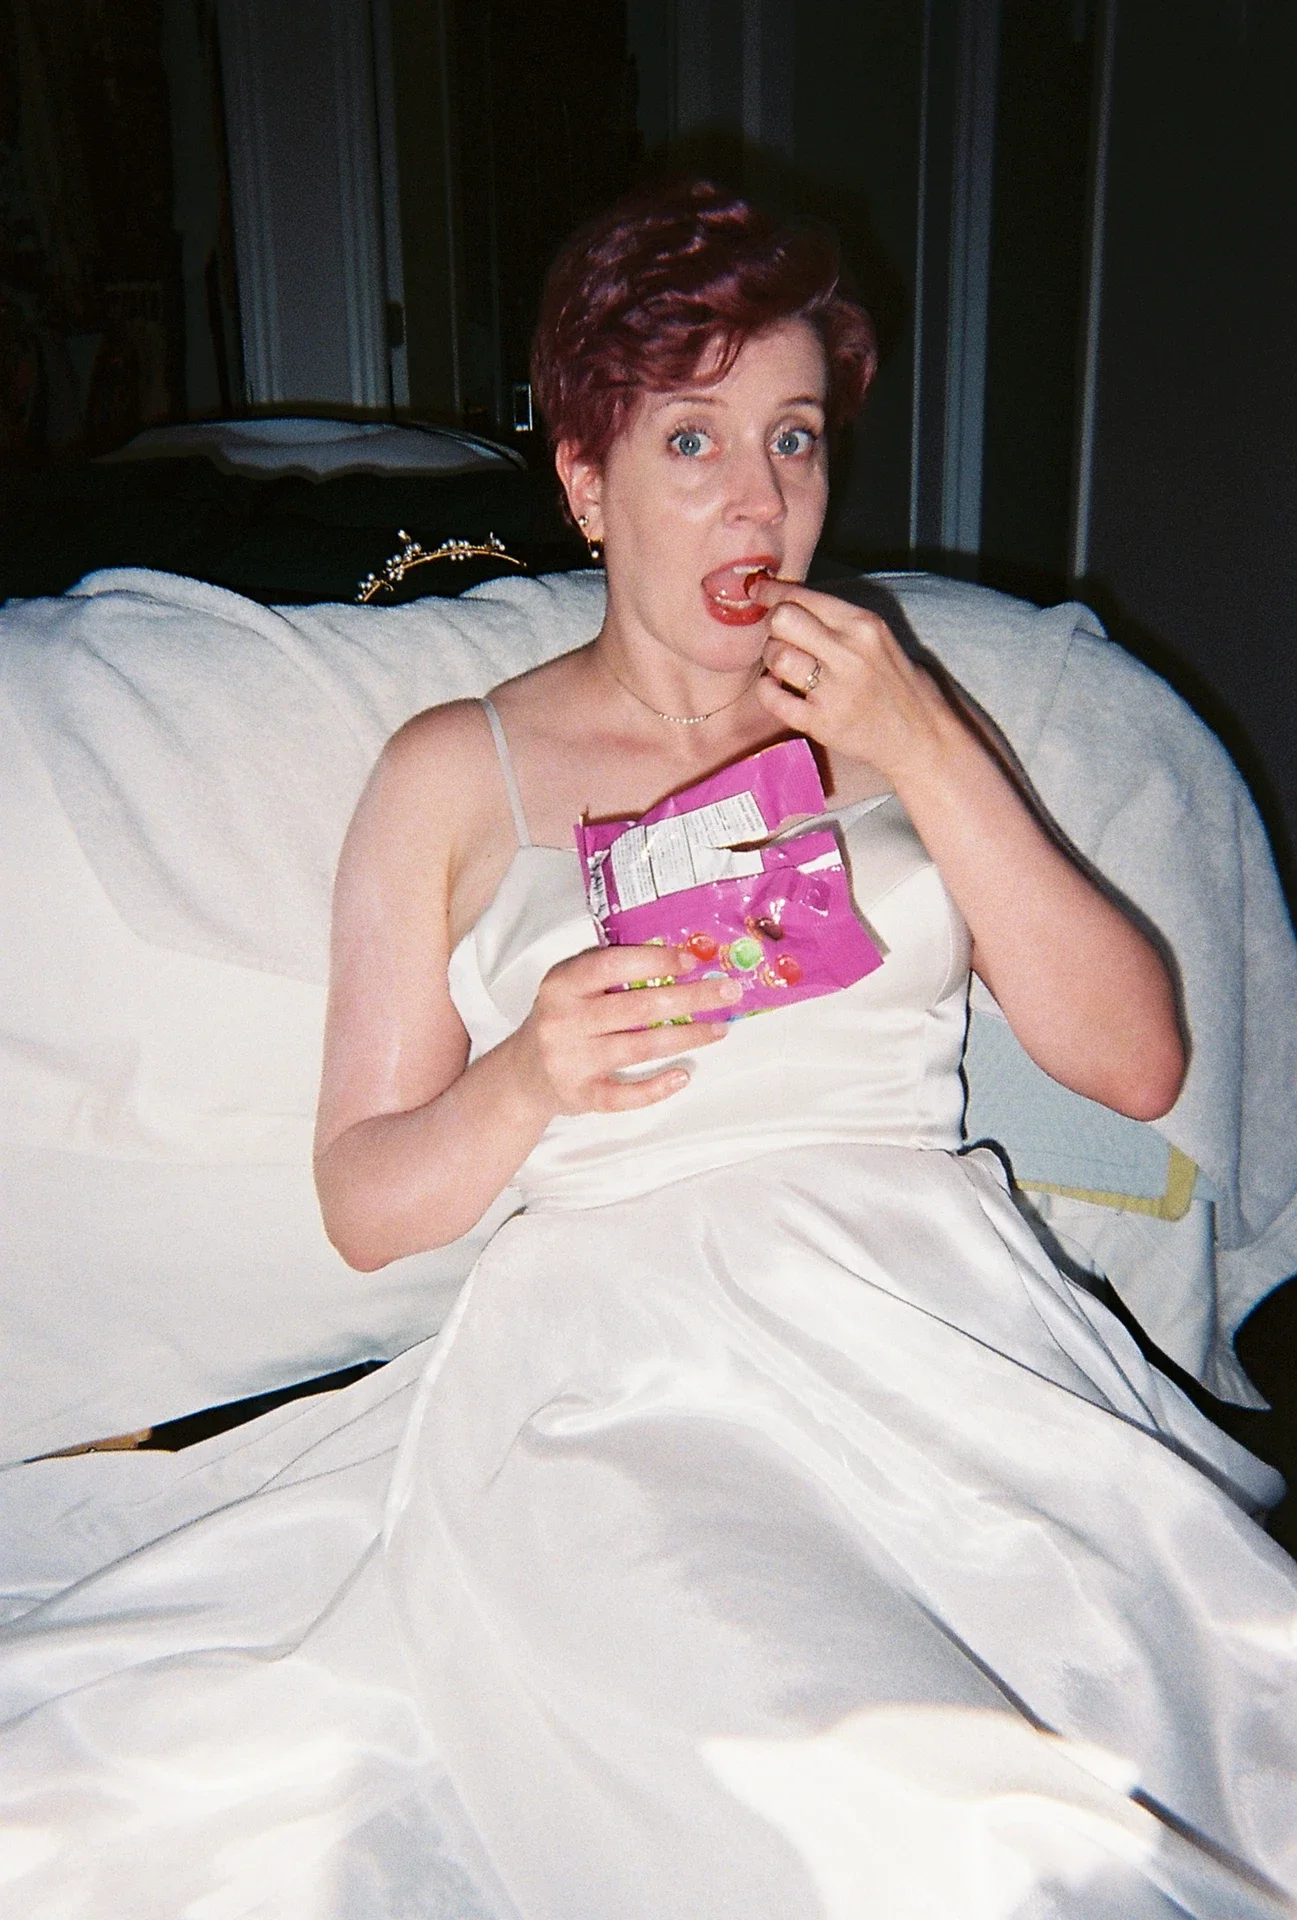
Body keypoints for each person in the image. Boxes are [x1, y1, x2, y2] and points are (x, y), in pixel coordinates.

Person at [1, 182, 1294, 1919]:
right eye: (693, 441)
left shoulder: (902, 709)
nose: (759, 500)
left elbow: (1137, 1065)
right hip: (625, 1366)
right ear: (586, 482)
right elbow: (366, 1203)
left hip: (940, 1333)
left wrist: (932, 747)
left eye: (794, 438)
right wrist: (527, 1074)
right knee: (869, 1790)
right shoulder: (453, 772)